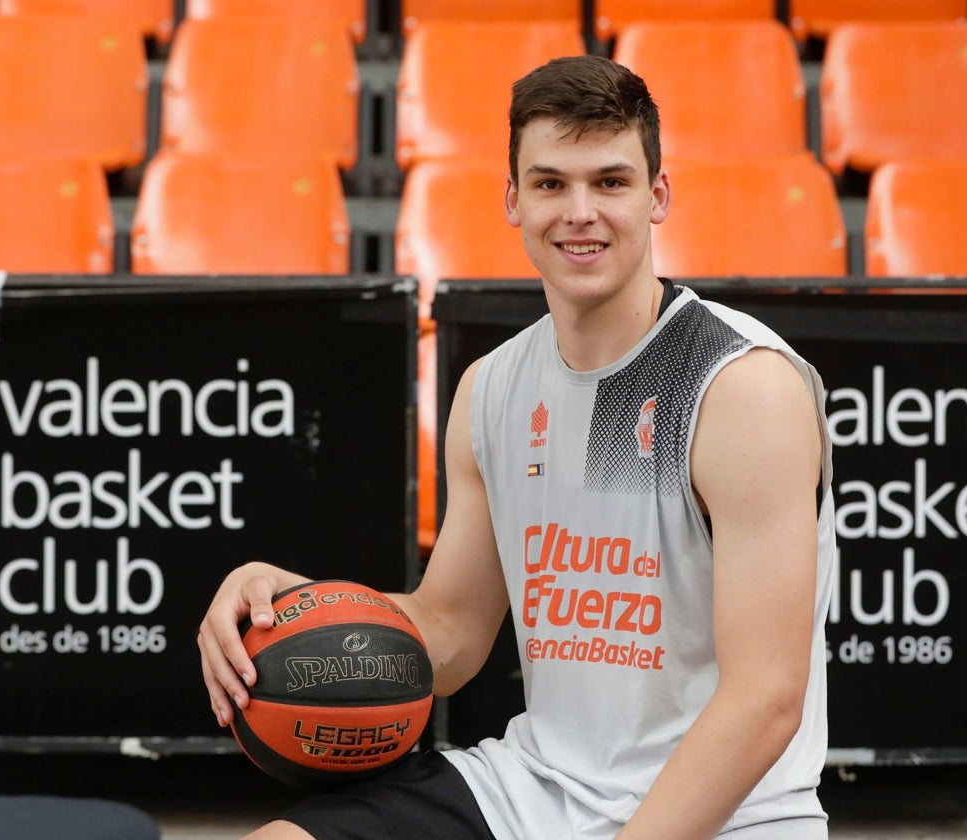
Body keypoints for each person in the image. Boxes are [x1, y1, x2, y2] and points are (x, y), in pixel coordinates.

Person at [198, 54, 836, 840]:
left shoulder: (740, 386)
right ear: (513, 200)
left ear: (658, 196)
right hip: (533, 791)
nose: (580, 212)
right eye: (550, 184)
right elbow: (451, 638)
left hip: (728, 816)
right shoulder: (494, 387)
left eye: (610, 182)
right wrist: (284, 605)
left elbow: (767, 698)